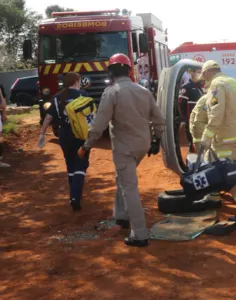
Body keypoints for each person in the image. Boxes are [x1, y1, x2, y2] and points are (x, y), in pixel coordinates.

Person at [78, 53, 166, 247]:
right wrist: (156, 139)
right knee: (123, 179)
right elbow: (159, 119)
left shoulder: (111, 93)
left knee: (129, 187)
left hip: (124, 148)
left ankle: (140, 234)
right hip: (143, 145)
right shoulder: (143, 91)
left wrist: (87, 145)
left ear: (110, 72)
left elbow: (99, 124)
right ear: (128, 70)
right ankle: (121, 215)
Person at [197, 60, 236, 224]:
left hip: (225, 138)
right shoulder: (232, 82)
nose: (204, 79)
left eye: (204, 75)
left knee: (229, 174)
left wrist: (207, 136)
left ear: (208, 72)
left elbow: (216, 113)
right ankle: (213, 197)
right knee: (225, 169)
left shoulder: (216, 85)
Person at [38, 72, 91, 211]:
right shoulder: (83, 95)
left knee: (70, 165)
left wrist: (42, 134)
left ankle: (72, 195)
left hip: (65, 135)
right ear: (77, 81)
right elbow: (91, 116)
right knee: (81, 165)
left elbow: (48, 117)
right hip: (80, 135)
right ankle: (75, 197)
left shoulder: (56, 98)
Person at [178, 68, 205, 153]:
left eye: (200, 72)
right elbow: (181, 104)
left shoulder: (200, 88)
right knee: (194, 144)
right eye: (197, 72)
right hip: (191, 120)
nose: (199, 74)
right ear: (191, 73)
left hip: (201, 120)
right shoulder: (186, 87)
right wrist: (186, 119)